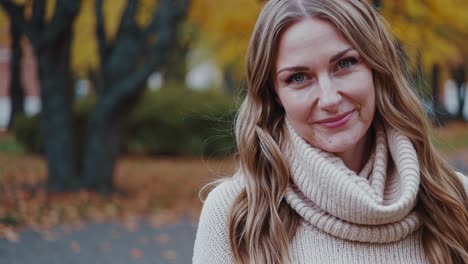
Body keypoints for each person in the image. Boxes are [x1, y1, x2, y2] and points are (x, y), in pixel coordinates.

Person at [193, 0, 468, 263]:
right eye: (298, 78)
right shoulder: (236, 213)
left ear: (377, 68)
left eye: (345, 64)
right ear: (275, 95)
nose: (329, 99)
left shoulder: (456, 200)